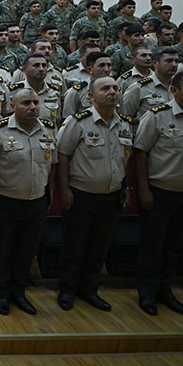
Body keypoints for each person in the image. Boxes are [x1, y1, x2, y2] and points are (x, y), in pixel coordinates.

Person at [132, 71, 183, 316]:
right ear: (175, 91)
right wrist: (143, 189)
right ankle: (147, 294)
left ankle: (165, 291)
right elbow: (140, 152)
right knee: (153, 246)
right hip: (161, 192)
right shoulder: (157, 116)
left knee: (175, 246)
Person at [56, 75, 133, 312]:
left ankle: (89, 289)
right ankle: (67, 289)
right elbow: (62, 156)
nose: (112, 92)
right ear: (91, 96)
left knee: (99, 246)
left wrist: (125, 188)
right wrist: (65, 190)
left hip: (111, 195)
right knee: (75, 245)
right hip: (81, 194)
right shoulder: (78, 122)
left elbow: (126, 158)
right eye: (105, 89)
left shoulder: (124, 124)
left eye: (115, 88)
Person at [0, 88, 57, 316]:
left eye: (35, 103)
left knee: (27, 251)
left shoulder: (48, 129)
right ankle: (2, 293)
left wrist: (50, 192)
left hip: (36, 200)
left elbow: (53, 164)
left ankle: (19, 292)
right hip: (6, 199)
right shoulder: (0, 130)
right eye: (26, 103)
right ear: (13, 106)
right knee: (3, 250)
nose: (33, 107)